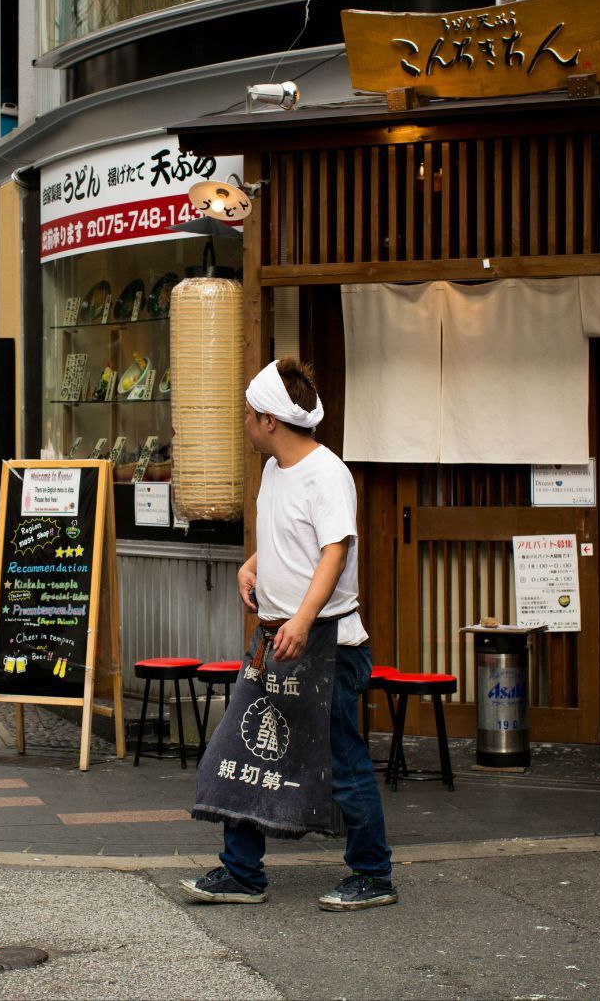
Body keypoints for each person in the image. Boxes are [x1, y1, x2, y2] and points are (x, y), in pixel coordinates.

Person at [182, 358, 397, 912]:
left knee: (342, 762)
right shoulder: (277, 470)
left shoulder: (327, 473)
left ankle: (373, 874)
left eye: (248, 415)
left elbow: (336, 548)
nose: (244, 423)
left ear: (269, 420)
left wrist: (301, 618)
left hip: (327, 642)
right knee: (243, 750)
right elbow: (291, 537)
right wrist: (252, 564)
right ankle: (242, 872)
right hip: (277, 638)